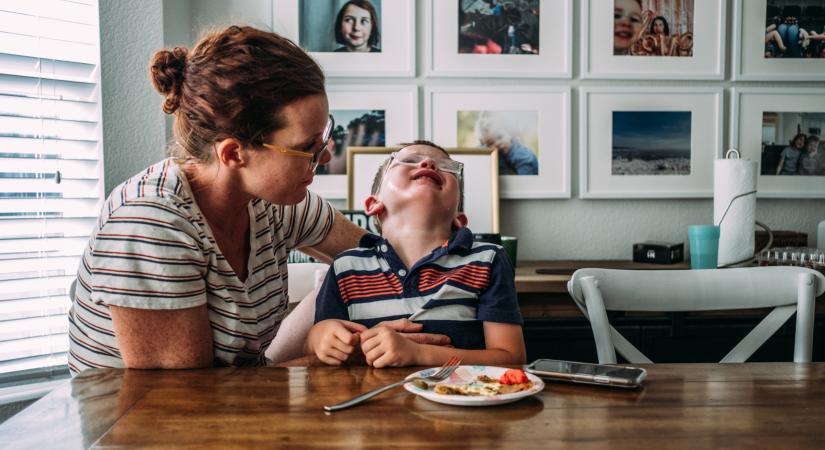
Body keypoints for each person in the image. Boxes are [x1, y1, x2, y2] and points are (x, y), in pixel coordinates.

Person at [66, 26, 443, 374]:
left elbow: (381, 254)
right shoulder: (151, 223)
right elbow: (184, 401)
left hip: (232, 393)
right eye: (306, 148)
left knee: (344, 272)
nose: (325, 157)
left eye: (323, 137)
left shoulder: (276, 203)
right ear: (233, 154)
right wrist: (329, 357)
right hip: (147, 428)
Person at [307, 141, 526, 368]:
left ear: (459, 219)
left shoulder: (488, 259)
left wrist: (419, 354)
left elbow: (512, 359)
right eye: (409, 161)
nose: (428, 163)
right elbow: (315, 344)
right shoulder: (346, 266)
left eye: (446, 167)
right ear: (374, 204)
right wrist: (318, 337)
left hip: (458, 400)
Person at [474, 114, 539, 175]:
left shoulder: (521, 155)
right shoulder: (501, 151)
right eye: (491, 143)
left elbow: (524, 181)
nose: (497, 143)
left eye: (499, 137)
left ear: (509, 134)